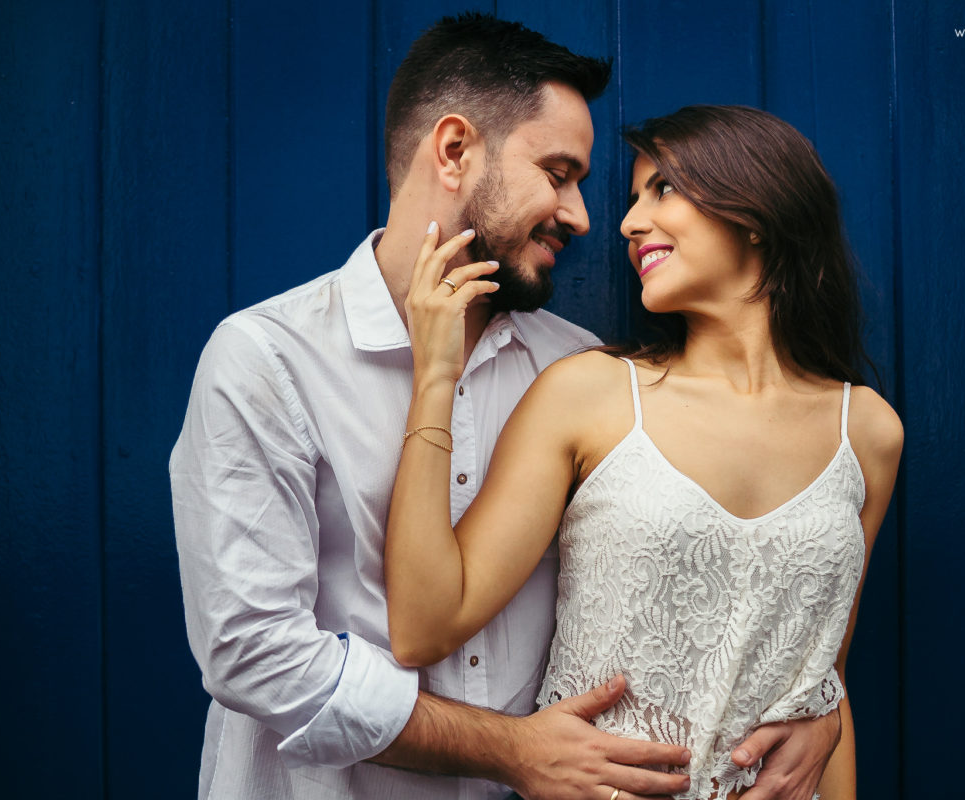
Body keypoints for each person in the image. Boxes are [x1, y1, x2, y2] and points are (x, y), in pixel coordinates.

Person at [171, 13, 840, 800]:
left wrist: (819, 707)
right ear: (455, 151)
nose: (585, 216)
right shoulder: (268, 360)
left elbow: (716, 578)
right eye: (559, 173)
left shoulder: (581, 368)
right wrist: (509, 751)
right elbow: (254, 654)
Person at [385, 105, 903, 800]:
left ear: (754, 211)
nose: (628, 224)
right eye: (634, 199)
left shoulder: (866, 432)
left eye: (661, 190)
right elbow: (424, 624)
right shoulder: (588, 395)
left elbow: (822, 694)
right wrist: (436, 378)